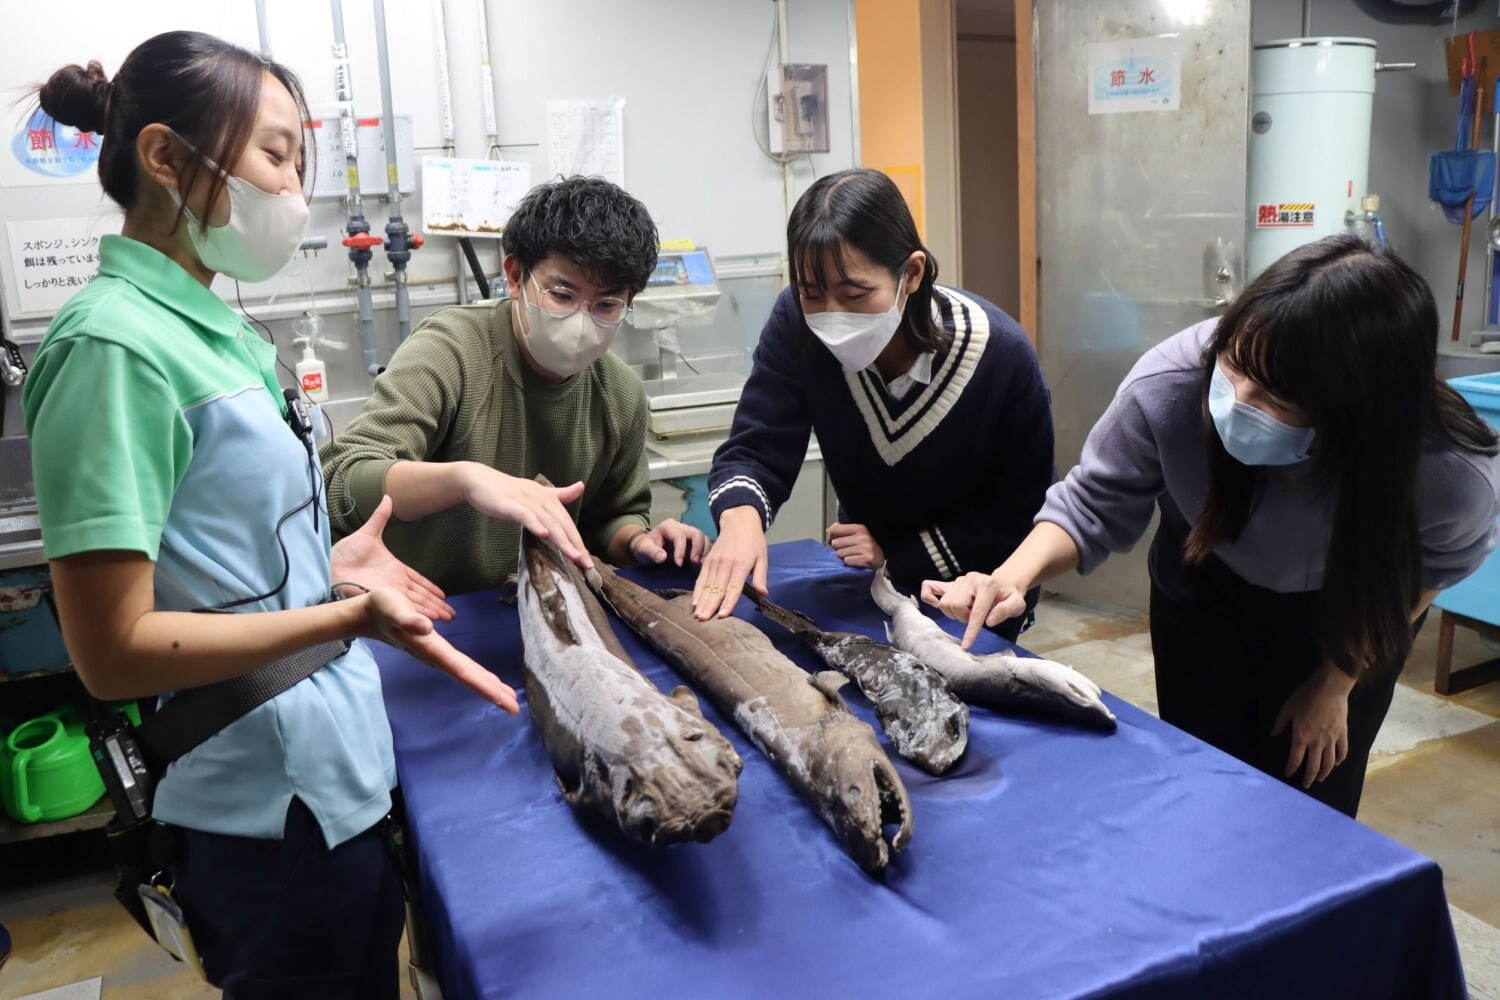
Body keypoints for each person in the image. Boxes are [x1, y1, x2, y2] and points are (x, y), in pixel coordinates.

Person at [24, 33, 518, 998]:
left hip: (335, 781)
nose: (295, 192)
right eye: (277, 157)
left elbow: (226, 564)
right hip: (262, 812)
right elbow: (114, 650)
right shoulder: (115, 349)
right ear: (167, 158)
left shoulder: (220, 331)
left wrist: (334, 566)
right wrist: (346, 617)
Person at [924, 235, 1500, 817]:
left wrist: (1336, 684)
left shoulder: (1446, 470)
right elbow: (1093, 501)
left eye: (1277, 395)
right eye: (1236, 363)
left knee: (1311, 807)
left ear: (1358, 410)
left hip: (1347, 620)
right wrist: (1009, 576)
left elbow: (1424, 578)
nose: (1239, 400)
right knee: (1201, 784)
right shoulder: (1173, 382)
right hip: (1204, 592)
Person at [693, 167, 1054, 637]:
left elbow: (1020, 513)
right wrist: (741, 521)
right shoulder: (796, 321)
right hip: (866, 581)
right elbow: (759, 443)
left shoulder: (1000, 355)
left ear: (911, 273)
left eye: (855, 294)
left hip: (970, 588)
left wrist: (897, 553)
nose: (832, 315)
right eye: (812, 293)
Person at [322, 176, 710, 592]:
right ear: (514, 275)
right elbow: (341, 482)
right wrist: (463, 481)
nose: (581, 322)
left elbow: (611, 517)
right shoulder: (450, 351)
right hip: (408, 609)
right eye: (562, 295)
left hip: (533, 610)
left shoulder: (620, 393)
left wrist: (638, 541)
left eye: (606, 305)